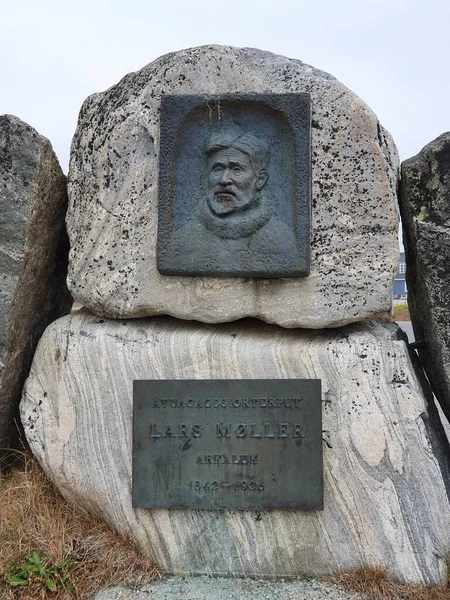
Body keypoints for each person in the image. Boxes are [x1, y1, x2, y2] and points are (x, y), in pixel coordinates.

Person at [158, 127, 302, 278]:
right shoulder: (182, 242)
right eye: (218, 169)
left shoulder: (281, 241)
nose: (224, 180)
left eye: (237, 169)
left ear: (260, 180)